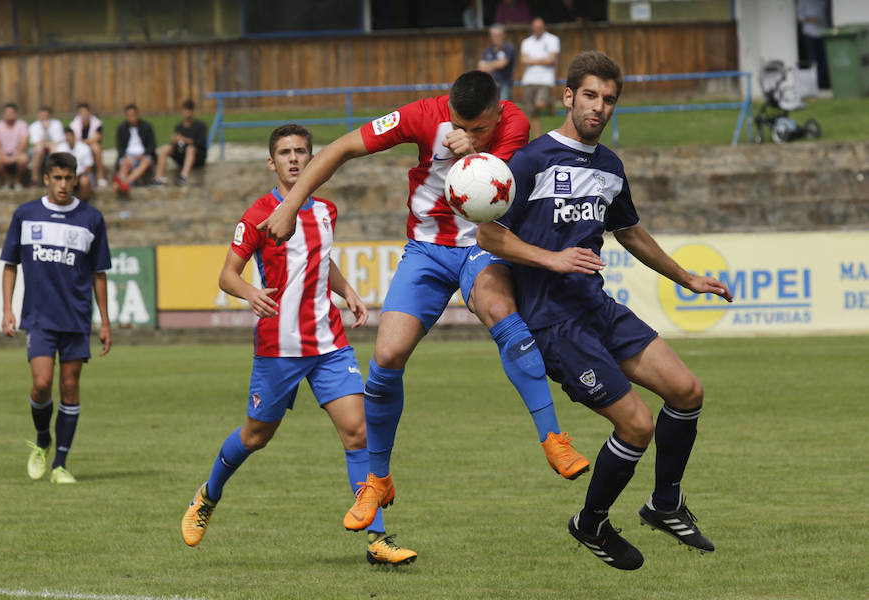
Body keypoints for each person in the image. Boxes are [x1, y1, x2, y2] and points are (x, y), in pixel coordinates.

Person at [260, 71, 590, 538]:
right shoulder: (422, 115)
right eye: (461, 125)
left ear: (497, 112)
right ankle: (377, 479)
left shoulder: (515, 122)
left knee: (501, 312)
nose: (467, 133)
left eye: (480, 127)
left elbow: (490, 181)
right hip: (427, 249)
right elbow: (339, 149)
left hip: (484, 244)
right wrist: (291, 203)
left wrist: (474, 150)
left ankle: (553, 437)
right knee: (386, 355)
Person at [477, 51, 733, 570]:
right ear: (568, 96)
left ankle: (664, 504)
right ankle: (590, 522)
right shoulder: (529, 162)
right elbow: (488, 234)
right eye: (589, 96)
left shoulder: (609, 166)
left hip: (596, 306)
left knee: (687, 392)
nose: (599, 107)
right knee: (636, 426)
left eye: (609, 99)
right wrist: (551, 258)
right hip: (554, 322)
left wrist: (684, 276)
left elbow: (629, 230)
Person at [180, 124, 417, 566]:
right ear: (271, 162)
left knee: (358, 432)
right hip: (279, 348)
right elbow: (227, 275)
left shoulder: (326, 210)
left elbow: (320, 260)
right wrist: (250, 292)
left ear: (312, 160)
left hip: (329, 344)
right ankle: (208, 496)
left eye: (301, 152)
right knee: (256, 435)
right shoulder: (256, 214)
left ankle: (378, 540)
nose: (294, 159)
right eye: (285, 153)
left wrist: (347, 291)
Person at [0, 151, 112, 484]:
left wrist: (105, 321)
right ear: (46, 178)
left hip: (76, 317)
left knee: (70, 386)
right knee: (41, 383)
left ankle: (60, 464)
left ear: (76, 178)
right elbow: (10, 264)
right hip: (39, 316)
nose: (63, 184)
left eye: (69, 178)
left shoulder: (91, 218)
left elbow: (99, 274)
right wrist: (7, 308)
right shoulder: (26, 214)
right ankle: (42, 440)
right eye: (57, 178)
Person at [152, 99, 208, 187]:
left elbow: (201, 143)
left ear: (193, 111)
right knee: (165, 148)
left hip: (197, 157)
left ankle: (183, 177)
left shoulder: (200, 126)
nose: (188, 112)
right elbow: (176, 145)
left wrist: (185, 140)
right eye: (186, 110)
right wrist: (175, 141)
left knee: (190, 148)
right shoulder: (179, 126)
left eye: (190, 110)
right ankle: (159, 178)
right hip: (181, 154)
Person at [520, 17, 560, 139]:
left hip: (545, 79)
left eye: (539, 27)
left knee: (539, 104)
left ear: (544, 27)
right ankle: (537, 137)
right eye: (535, 27)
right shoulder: (526, 42)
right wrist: (543, 60)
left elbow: (552, 59)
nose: (537, 29)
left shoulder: (552, 39)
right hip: (529, 79)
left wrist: (532, 60)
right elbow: (523, 60)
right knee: (532, 113)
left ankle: (550, 102)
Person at [114, 103, 156, 193]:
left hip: (143, 155)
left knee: (146, 161)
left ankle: (125, 182)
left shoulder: (147, 127)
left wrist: (142, 155)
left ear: (137, 115)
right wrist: (126, 155)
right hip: (128, 155)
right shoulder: (122, 128)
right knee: (125, 163)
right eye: (129, 115)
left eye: (133, 115)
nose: (132, 118)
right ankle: (122, 183)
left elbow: (152, 146)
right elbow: (119, 147)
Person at [0, 103, 30, 189]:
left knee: (24, 159)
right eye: (7, 112)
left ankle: (17, 181)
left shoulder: (22, 124)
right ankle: (7, 180)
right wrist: (3, 156)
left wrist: (15, 156)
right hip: (3, 153)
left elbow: (23, 144)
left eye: (12, 112)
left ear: (16, 114)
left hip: (18, 153)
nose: (9, 114)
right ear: (3, 114)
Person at [69, 103, 108, 187]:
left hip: (89, 146)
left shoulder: (97, 123)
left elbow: (96, 138)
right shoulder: (73, 125)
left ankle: (101, 176)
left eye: (86, 113)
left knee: (96, 148)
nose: (84, 115)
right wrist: (86, 142)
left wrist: (82, 142)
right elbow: (72, 140)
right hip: (79, 147)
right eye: (81, 113)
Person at [478, 24, 517, 101]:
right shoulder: (488, 49)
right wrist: (496, 63)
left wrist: (488, 65)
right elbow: (481, 68)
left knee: (503, 105)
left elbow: (503, 64)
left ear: (504, 35)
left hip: (505, 83)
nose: (495, 37)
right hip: (491, 83)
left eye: (498, 35)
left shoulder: (509, 47)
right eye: (493, 35)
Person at [28, 106, 65, 187]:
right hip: (39, 149)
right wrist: (45, 131)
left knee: (54, 150)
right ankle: (34, 178)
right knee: (39, 150)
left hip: (53, 147)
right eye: (42, 116)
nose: (44, 118)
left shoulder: (57, 124)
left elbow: (58, 141)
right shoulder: (34, 126)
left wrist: (48, 143)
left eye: (46, 116)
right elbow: (36, 143)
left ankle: (55, 175)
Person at [797, 0, 830, 89]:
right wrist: (811, 19)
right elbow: (800, 17)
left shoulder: (823, 1)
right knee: (812, 60)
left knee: (824, 60)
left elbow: (827, 14)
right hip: (809, 34)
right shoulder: (803, 1)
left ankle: (823, 83)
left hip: (823, 32)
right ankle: (813, 85)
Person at [56, 128, 95, 201]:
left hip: (82, 174)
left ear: (74, 136)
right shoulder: (60, 148)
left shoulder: (84, 147)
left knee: (85, 181)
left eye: (70, 136)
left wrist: (77, 176)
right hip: (66, 175)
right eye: (67, 136)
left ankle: (84, 203)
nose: (69, 138)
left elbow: (89, 166)